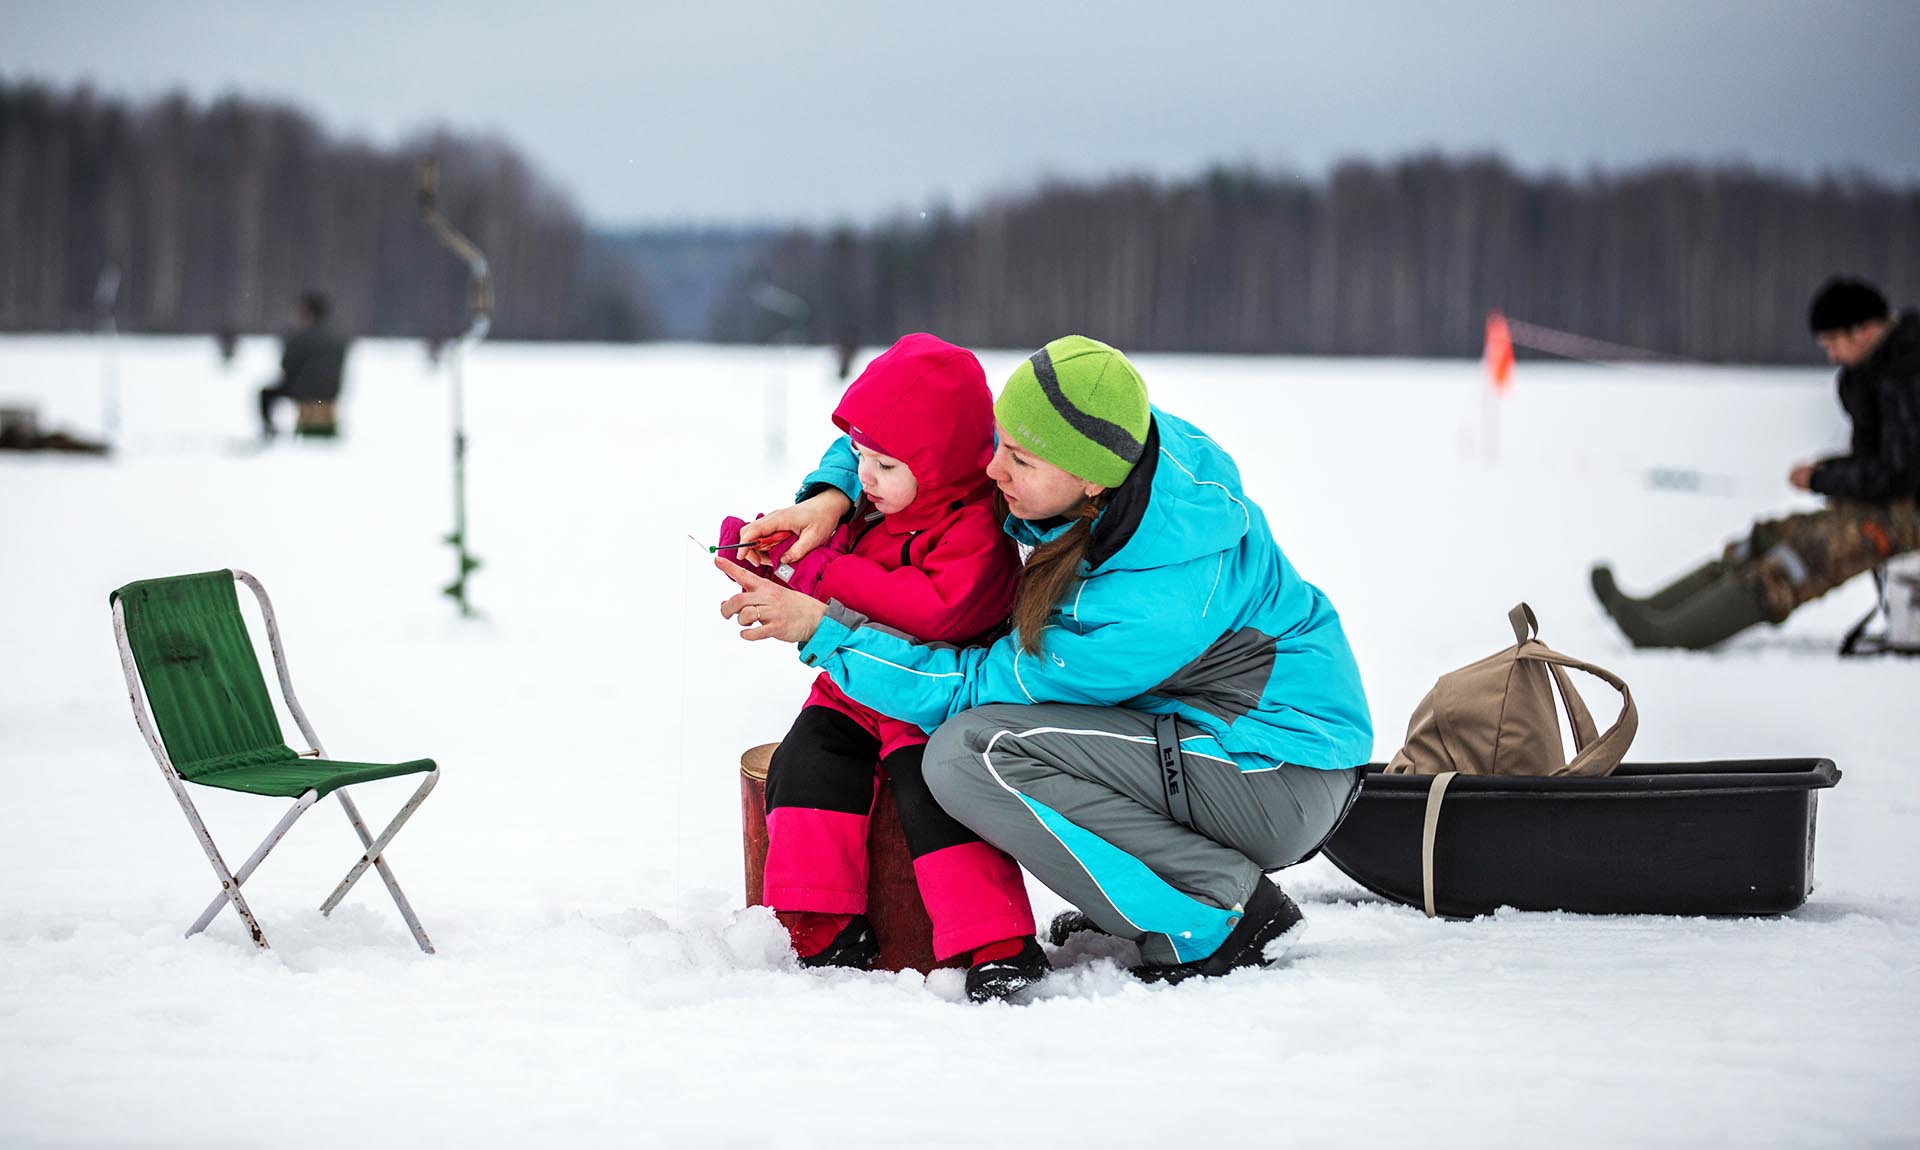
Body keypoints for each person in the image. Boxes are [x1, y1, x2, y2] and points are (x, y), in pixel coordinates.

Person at [721, 335, 1373, 986]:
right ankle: (1147, 900)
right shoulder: (1112, 448)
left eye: (1019, 460)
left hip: (1276, 774)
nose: (992, 469)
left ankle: (1215, 913)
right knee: (992, 744)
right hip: (1223, 741)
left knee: (970, 753)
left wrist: (824, 626)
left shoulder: (1148, 606)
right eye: (1000, 440)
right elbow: (920, 435)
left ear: (1086, 478)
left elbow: (970, 688)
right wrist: (830, 497)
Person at [727, 333, 1043, 1003]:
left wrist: (819, 576)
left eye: (885, 464)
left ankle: (996, 942)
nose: (865, 476)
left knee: (937, 799)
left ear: (945, 459)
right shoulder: (876, 500)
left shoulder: (976, 530)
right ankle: (820, 921)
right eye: (861, 456)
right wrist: (780, 552)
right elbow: (833, 541)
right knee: (805, 765)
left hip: (931, 696)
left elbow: (935, 612)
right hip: (852, 685)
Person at [1593, 277, 1920, 648]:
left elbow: (1900, 474)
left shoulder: (1907, 372)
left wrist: (1823, 477)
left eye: (1832, 344)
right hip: (1891, 506)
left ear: (1861, 331)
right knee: (1767, 537)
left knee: (1802, 556)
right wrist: (1829, 472)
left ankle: (1670, 634)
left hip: (1907, 514)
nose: (1831, 357)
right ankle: (1656, 609)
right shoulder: (1879, 370)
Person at [257, 291, 347, 439]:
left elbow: (287, 365)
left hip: (303, 390)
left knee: (266, 394)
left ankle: (270, 431)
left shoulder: (300, 336)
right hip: (332, 391)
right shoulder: (338, 337)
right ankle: (323, 427)